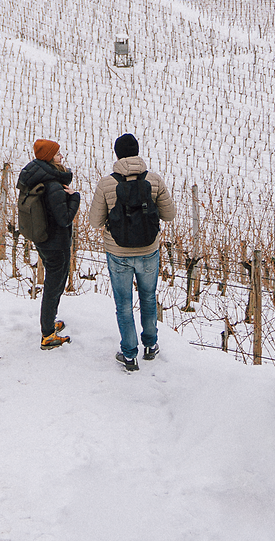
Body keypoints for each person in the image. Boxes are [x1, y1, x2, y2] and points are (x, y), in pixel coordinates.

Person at [87, 132, 176, 371]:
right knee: (148, 297)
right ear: (137, 152)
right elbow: (169, 215)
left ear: (117, 155)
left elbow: (95, 221)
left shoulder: (106, 183)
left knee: (124, 304)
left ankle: (129, 355)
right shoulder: (154, 180)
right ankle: (151, 345)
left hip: (118, 253)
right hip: (148, 250)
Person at [17, 138, 80, 349]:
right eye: (58, 154)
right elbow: (64, 219)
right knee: (54, 286)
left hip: (43, 239)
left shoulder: (36, 176)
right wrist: (75, 198)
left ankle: (49, 323)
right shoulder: (53, 185)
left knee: (53, 285)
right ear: (50, 158)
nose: (61, 156)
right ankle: (47, 334)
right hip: (56, 243)